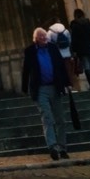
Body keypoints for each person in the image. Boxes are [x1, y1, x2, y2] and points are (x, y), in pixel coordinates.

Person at [21, 27, 70, 160]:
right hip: (41, 89)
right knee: (47, 118)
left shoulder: (53, 48)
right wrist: (25, 87)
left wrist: (67, 83)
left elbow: (60, 65)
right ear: (35, 39)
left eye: (45, 36)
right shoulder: (30, 51)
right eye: (41, 37)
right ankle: (53, 147)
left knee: (60, 119)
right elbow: (26, 70)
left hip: (55, 87)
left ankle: (62, 147)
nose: (44, 39)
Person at [70, 8, 90, 89]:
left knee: (86, 65)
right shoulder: (88, 23)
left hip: (81, 49)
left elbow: (74, 39)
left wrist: (74, 50)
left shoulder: (75, 25)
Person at [48, 21, 76, 88]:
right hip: (67, 54)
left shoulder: (50, 32)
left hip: (57, 55)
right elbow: (70, 41)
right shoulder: (65, 31)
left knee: (60, 71)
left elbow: (48, 44)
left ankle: (62, 86)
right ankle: (70, 85)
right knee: (68, 71)